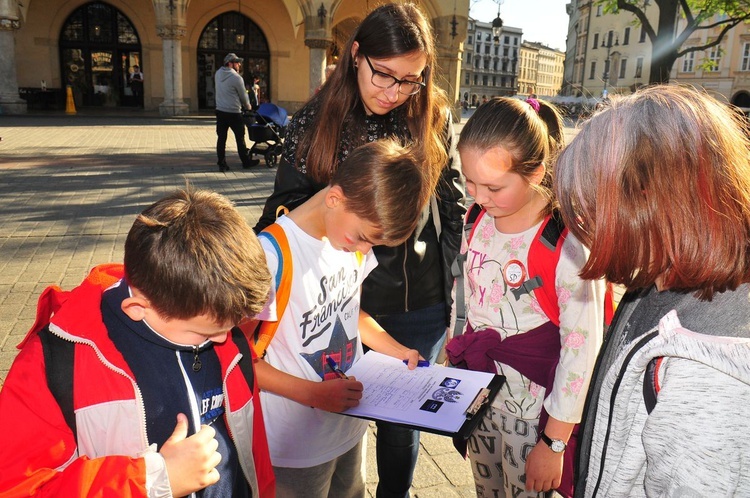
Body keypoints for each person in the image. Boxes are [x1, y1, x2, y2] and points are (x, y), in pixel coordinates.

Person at [253, 4, 465, 495]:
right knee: (346, 419)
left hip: (420, 296)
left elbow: (448, 203)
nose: (393, 93)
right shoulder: (316, 122)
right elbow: (284, 213)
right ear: (355, 56)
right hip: (347, 297)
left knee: (399, 428)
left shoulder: (431, 113)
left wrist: (455, 283)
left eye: (409, 80)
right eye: (383, 75)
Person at [0, 188, 275, 497]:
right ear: (137, 308)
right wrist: (153, 480)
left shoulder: (226, 336)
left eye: (229, 328)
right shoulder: (56, 363)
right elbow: (17, 487)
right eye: (207, 333)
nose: (227, 340)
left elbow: (254, 454)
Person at [554, 85, 750, 498]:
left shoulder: (705, 369)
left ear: (646, 204)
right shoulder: (661, 278)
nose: (581, 227)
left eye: (590, 209)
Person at [446, 97, 605, 498]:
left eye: (493, 186)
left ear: (534, 172)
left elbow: (581, 349)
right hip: (480, 398)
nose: (478, 195)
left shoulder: (565, 243)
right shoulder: (476, 219)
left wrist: (554, 443)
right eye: (469, 181)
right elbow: (464, 298)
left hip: (534, 416)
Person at [254, 140, 428, 497]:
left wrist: (398, 351)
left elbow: (351, 313)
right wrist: (315, 395)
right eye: (363, 238)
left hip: (349, 427)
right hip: (295, 445)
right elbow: (240, 359)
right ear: (334, 199)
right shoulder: (271, 255)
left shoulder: (348, 240)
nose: (365, 251)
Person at [215, 52, 259, 172]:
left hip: (220, 111)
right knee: (240, 138)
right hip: (234, 112)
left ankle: (221, 163)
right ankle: (246, 162)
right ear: (230, 64)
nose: (239, 64)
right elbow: (244, 97)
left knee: (221, 138)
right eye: (237, 62)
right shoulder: (236, 78)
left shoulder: (218, 74)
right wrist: (249, 107)